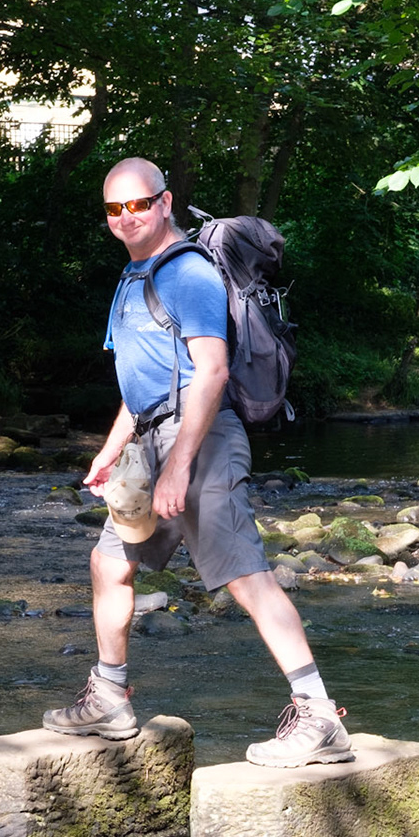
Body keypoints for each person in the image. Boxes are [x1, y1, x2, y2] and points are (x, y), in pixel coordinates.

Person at [40, 156, 353, 767]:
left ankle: (318, 716)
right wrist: (110, 452)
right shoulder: (134, 278)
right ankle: (109, 697)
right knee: (109, 564)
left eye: (138, 204)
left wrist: (180, 467)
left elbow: (210, 372)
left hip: (201, 442)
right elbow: (142, 388)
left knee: (244, 575)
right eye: (113, 209)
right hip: (149, 444)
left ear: (165, 202)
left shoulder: (188, 275)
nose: (126, 217)